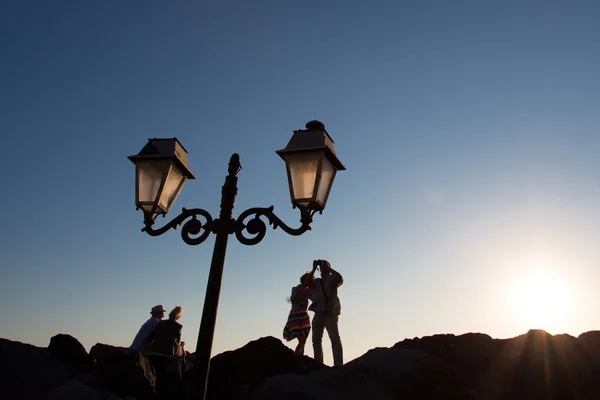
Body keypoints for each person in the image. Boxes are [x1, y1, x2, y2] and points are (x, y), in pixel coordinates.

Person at [310, 259, 344, 366]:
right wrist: (314, 269)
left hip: (330, 312)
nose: (323, 269)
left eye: (325, 267)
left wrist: (329, 268)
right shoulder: (317, 282)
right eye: (322, 267)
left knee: (334, 337)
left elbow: (340, 278)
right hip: (319, 312)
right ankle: (318, 363)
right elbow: (306, 283)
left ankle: (338, 363)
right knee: (316, 338)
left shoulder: (332, 279)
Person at [283, 264, 317, 355]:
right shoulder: (298, 289)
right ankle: (297, 359)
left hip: (302, 317)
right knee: (302, 341)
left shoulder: (306, 290)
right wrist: (313, 270)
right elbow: (298, 297)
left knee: (303, 341)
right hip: (297, 317)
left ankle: (300, 359)